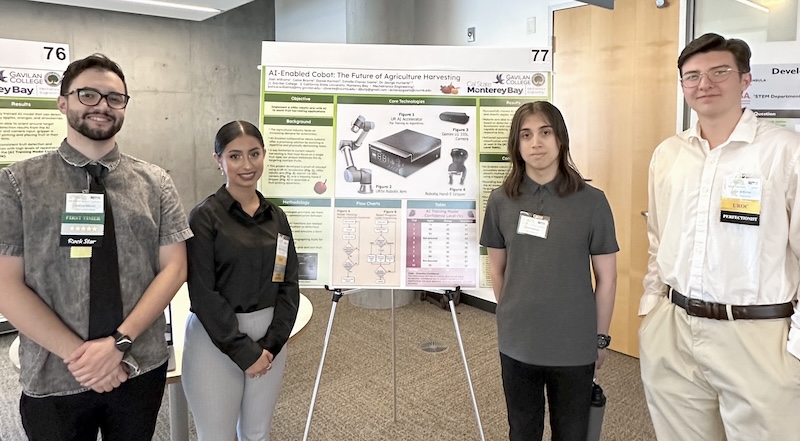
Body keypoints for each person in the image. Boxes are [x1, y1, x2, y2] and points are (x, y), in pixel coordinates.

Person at [0, 54, 192, 440]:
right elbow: (5, 284)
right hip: (55, 372)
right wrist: (85, 357)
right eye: (88, 94)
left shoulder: (155, 182)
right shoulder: (18, 184)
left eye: (114, 98)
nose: (102, 105)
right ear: (62, 101)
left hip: (138, 364)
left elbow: (174, 268)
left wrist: (118, 344)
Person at [640, 33, 800, 441]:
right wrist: (650, 311)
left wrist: (797, 347)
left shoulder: (784, 152)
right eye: (691, 76)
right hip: (673, 328)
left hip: (758, 336)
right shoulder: (668, 154)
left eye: (719, 72)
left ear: (746, 80)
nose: (704, 84)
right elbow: (658, 238)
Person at [480, 101, 618, 441]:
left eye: (545, 132)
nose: (536, 143)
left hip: (573, 344)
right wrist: (513, 315)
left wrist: (600, 338)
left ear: (560, 139)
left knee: (571, 432)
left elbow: (608, 278)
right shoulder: (501, 201)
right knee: (522, 430)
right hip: (518, 343)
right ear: (517, 144)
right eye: (526, 135)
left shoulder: (592, 201)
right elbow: (497, 270)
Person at [182, 120, 300, 441]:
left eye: (254, 154)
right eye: (234, 156)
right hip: (215, 338)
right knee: (217, 436)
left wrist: (272, 345)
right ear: (218, 160)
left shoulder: (277, 216)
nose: (246, 165)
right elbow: (203, 293)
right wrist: (245, 354)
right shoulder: (204, 217)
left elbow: (288, 284)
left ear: (264, 155)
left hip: (269, 337)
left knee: (257, 433)